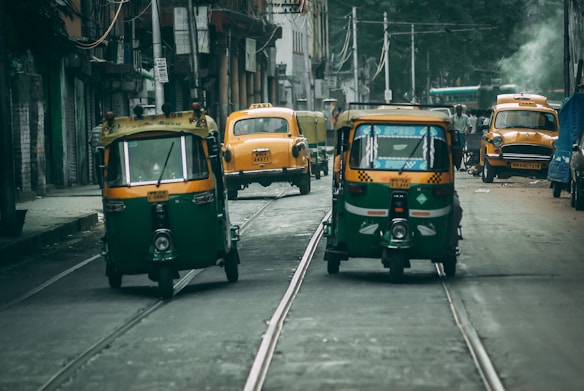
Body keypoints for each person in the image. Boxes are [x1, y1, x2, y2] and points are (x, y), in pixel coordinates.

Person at [451, 104, 472, 171]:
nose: (458, 111)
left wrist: (468, 132)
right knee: (455, 150)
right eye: (457, 110)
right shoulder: (453, 117)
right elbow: (450, 126)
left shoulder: (465, 117)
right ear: (456, 110)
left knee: (460, 151)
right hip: (454, 135)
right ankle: (456, 164)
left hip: (462, 135)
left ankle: (458, 165)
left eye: (460, 110)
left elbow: (470, 126)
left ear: (461, 110)